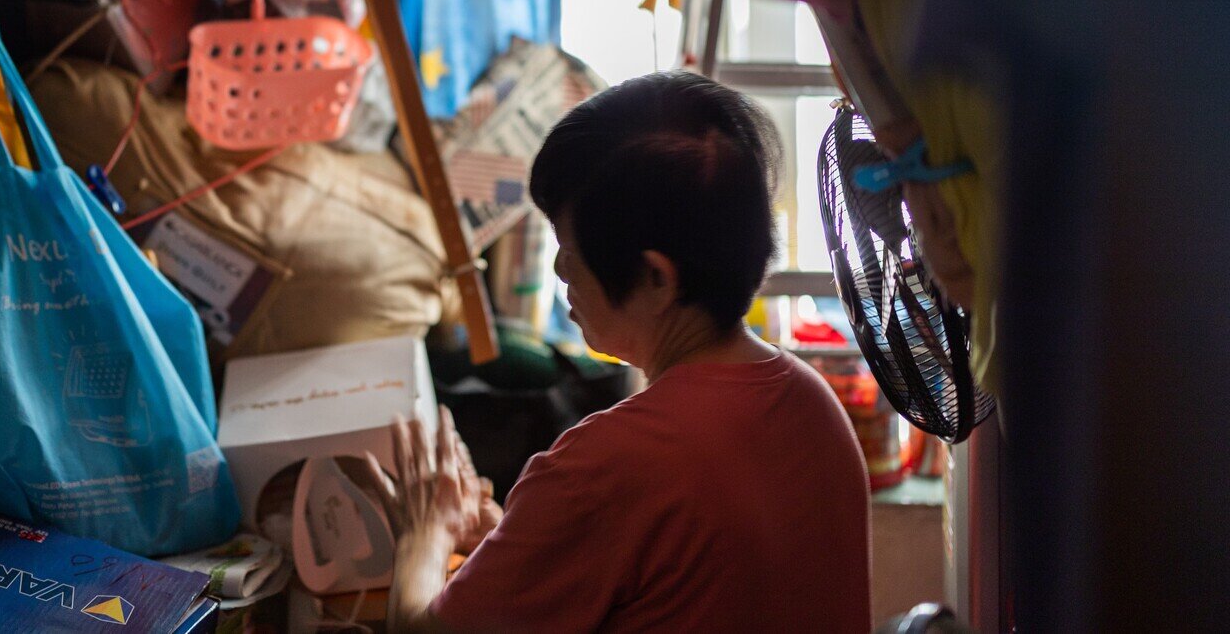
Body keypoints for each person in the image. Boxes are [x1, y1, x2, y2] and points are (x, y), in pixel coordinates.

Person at [365, 72, 873, 633]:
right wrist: (519, 542)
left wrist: (425, 534)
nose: (560, 270)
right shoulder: (811, 402)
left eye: (569, 247)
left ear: (656, 278)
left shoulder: (604, 467)